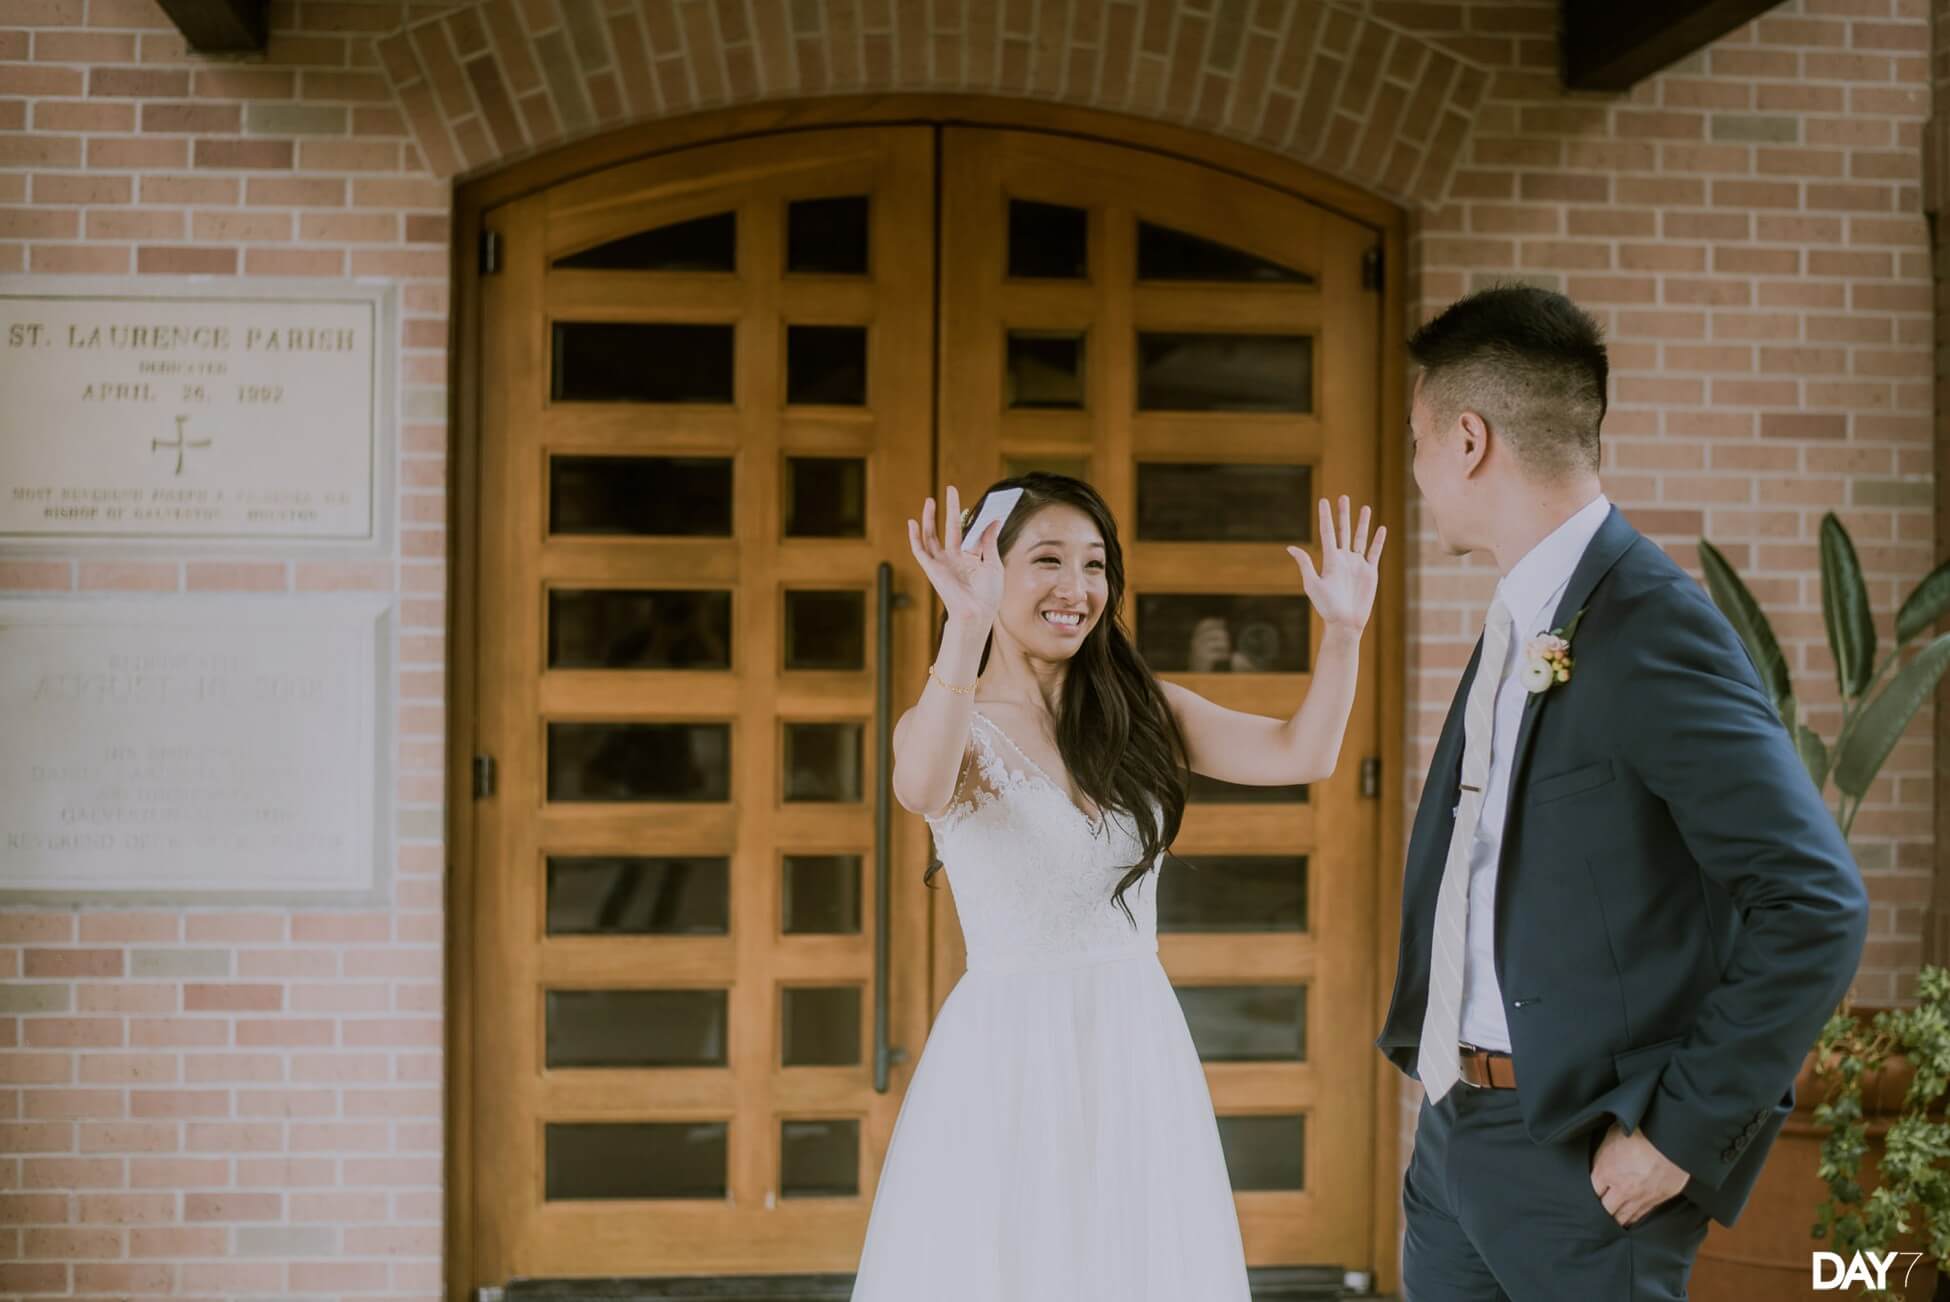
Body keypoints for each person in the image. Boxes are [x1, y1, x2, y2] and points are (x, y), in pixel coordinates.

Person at [1374, 286, 1870, 1299]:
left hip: (1586, 1170)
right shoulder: (1521, 613)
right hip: (1454, 1142)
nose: (1416, 470)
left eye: (1420, 442)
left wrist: (1680, 1134)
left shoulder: (1651, 625)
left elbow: (1815, 901)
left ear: (1469, 440)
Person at [849, 472, 1385, 1301]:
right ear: (988, 566)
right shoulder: (953, 720)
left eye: (1095, 565)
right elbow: (920, 788)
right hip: (1008, 1051)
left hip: (1134, 1036)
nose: (1076, 589)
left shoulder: (1142, 709)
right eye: (1049, 561)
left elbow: (1299, 755)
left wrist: (1345, 633)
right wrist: (966, 623)